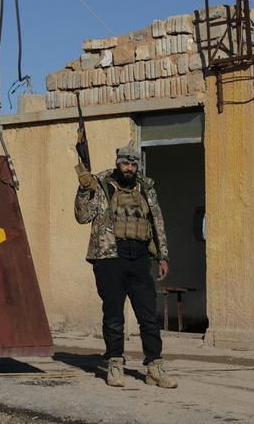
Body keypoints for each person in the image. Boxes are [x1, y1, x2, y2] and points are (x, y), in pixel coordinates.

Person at [75, 143, 177, 389]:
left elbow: (157, 221)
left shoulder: (146, 187)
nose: (129, 168)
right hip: (110, 257)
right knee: (113, 315)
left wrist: (162, 256)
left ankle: (154, 367)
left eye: (133, 164)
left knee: (148, 316)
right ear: (118, 163)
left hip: (140, 257)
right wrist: (83, 189)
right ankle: (115, 364)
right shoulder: (101, 184)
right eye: (125, 163)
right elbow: (82, 216)